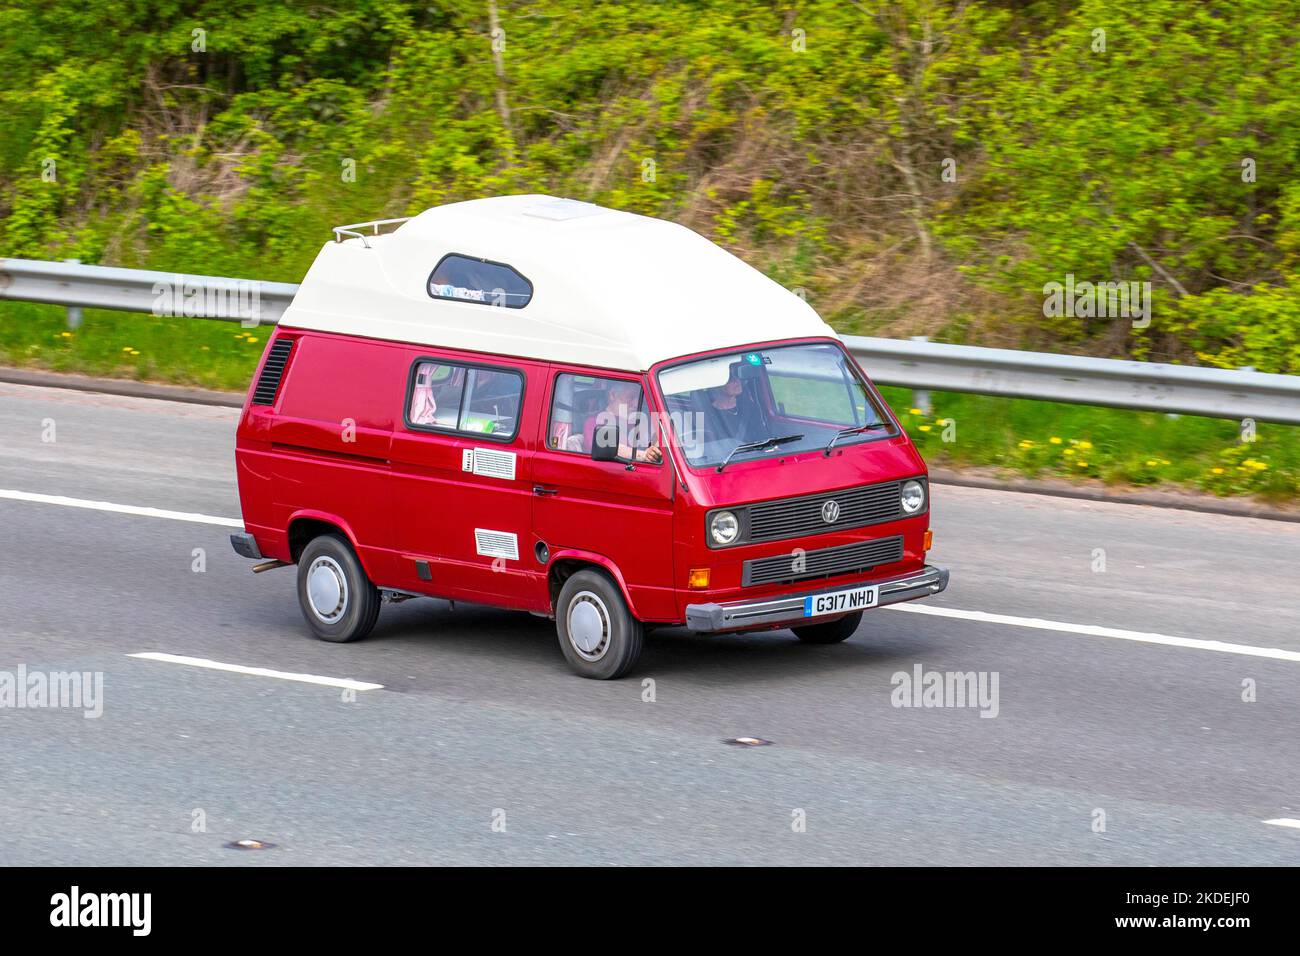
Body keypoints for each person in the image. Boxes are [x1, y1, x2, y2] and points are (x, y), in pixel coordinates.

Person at [582, 380, 663, 463]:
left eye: (637, 398)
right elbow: (607, 447)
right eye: (630, 398)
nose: (635, 404)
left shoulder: (636, 421)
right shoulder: (593, 422)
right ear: (612, 395)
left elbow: (653, 440)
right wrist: (643, 455)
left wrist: (656, 447)